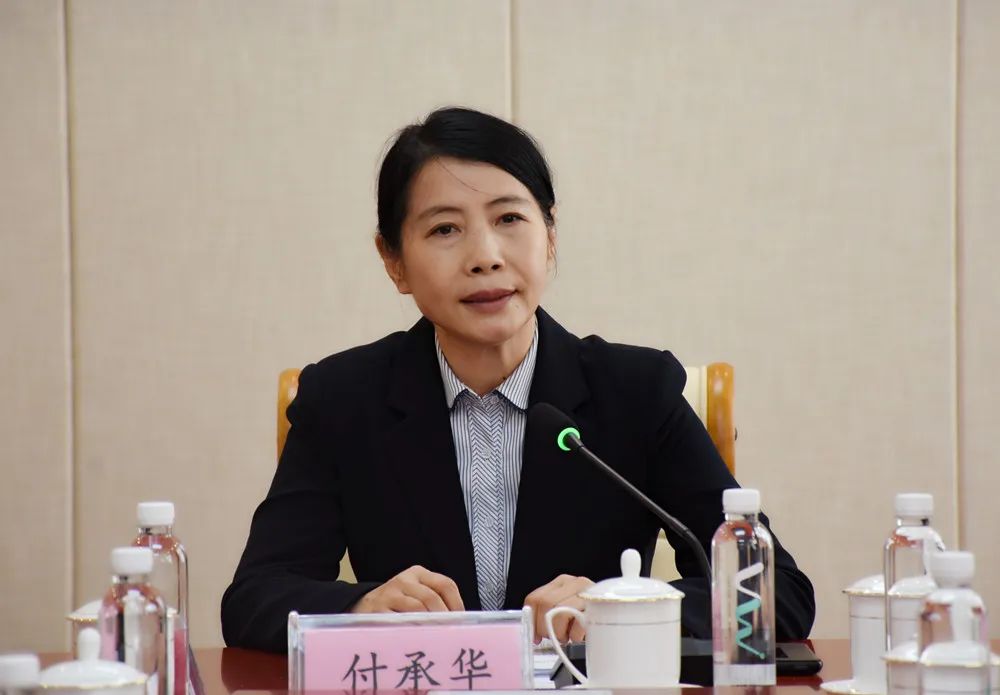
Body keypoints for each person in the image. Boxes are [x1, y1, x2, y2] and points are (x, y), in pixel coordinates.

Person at [221, 107, 815, 653]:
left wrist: (622, 608)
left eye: (509, 218)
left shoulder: (636, 391)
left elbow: (777, 593)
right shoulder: (343, 400)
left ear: (549, 236)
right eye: (444, 229)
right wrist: (361, 606)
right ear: (394, 261)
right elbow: (254, 597)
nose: (485, 256)